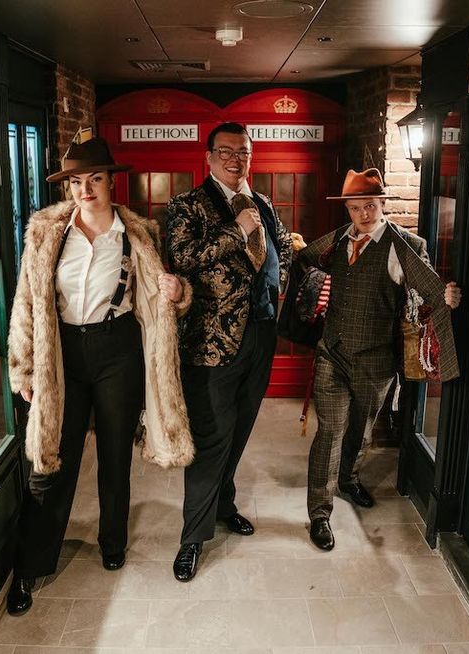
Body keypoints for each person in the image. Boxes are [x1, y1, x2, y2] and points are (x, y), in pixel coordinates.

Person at [5, 135, 195, 614]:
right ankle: (29, 566)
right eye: (75, 181)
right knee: (51, 460)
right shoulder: (46, 235)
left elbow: (162, 294)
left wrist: (180, 293)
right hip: (62, 352)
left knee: (114, 456)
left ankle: (113, 544)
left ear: (111, 181)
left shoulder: (138, 236)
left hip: (118, 351)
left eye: (94, 179)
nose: (85, 189)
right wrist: (24, 366)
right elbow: (26, 302)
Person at [293, 168, 461, 551]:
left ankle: (349, 479)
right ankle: (319, 514)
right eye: (354, 208)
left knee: (361, 430)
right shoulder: (337, 240)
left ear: (382, 204)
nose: (363, 215)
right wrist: (314, 285)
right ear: (348, 210)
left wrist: (446, 298)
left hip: (376, 359)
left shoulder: (406, 246)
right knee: (329, 432)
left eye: (369, 206)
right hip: (331, 354)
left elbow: (429, 291)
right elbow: (304, 258)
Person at [165, 122, 292, 581]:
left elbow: (282, 249)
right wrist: (236, 231)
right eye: (226, 152)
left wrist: (284, 276)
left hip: (261, 334)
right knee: (209, 441)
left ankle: (223, 506)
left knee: (238, 431)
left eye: (244, 151)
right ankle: (191, 540)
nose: (236, 159)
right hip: (212, 344)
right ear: (209, 158)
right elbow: (183, 256)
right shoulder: (188, 205)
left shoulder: (262, 203)